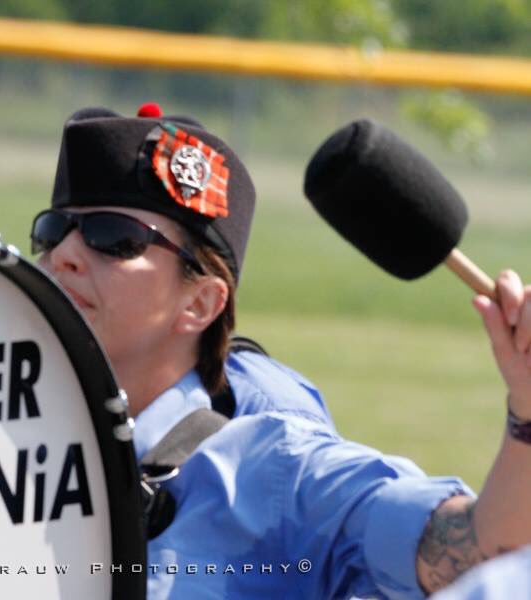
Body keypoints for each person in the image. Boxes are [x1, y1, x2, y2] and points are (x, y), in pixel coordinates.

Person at [29, 103, 531, 599]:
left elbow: (485, 554)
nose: (64, 255)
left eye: (113, 237)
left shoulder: (275, 472)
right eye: (54, 231)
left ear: (200, 303)